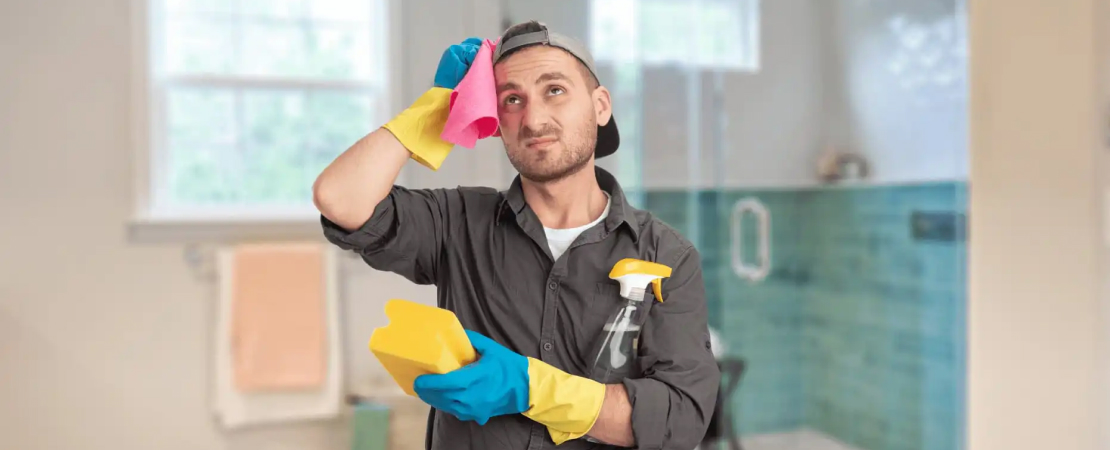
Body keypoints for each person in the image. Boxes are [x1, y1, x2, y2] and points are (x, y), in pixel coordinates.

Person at [313, 20, 720, 450]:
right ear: (495, 121)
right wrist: (434, 109)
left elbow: (679, 419)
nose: (534, 118)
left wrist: (530, 387)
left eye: (555, 90)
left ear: (601, 106)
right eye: (512, 99)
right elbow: (339, 197)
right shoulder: (458, 222)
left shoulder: (666, 254)